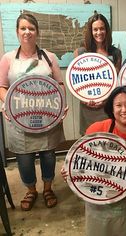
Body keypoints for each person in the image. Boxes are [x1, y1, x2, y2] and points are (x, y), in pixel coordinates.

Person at [62, 85, 126, 236]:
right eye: (118, 105)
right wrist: (69, 170)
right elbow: (80, 160)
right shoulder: (96, 129)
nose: (124, 109)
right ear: (111, 108)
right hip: (97, 200)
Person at [0, 14, 67, 211]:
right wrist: (9, 104)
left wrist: (61, 104)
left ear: (37, 32)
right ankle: (31, 190)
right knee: (24, 159)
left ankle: (47, 188)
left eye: (31, 28)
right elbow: (2, 86)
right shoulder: (8, 58)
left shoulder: (49, 57)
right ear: (17, 32)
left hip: (47, 117)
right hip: (20, 120)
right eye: (23, 28)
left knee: (48, 155)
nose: (27, 32)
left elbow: (59, 84)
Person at [74, 13, 122, 135]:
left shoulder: (116, 53)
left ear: (107, 30)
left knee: (108, 140)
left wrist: (106, 100)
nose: (99, 32)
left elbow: (118, 83)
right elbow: (76, 81)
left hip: (108, 106)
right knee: (89, 143)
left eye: (102, 28)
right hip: (88, 107)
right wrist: (84, 99)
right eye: (95, 29)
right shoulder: (80, 52)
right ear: (90, 31)